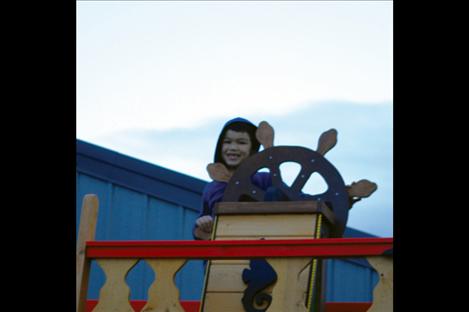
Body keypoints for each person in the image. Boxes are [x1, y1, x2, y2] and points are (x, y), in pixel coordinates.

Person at [193, 117, 272, 240]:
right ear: (220, 145)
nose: (233, 147)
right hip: (224, 254)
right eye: (228, 142)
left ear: (253, 148)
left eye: (241, 142)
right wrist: (203, 224)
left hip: (261, 250)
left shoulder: (265, 180)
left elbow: (294, 200)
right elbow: (199, 228)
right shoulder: (212, 188)